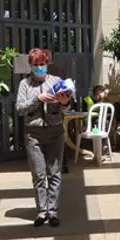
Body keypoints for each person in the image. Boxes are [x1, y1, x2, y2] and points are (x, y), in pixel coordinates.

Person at [16, 48, 72, 228]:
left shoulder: (57, 81)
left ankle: (53, 211)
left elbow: (67, 109)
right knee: (39, 174)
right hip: (34, 134)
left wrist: (65, 103)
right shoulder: (25, 84)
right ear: (31, 66)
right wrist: (37, 99)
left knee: (54, 173)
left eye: (42, 64)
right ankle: (42, 211)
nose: (40, 67)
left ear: (47, 64)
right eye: (36, 65)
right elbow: (19, 109)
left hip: (55, 131)